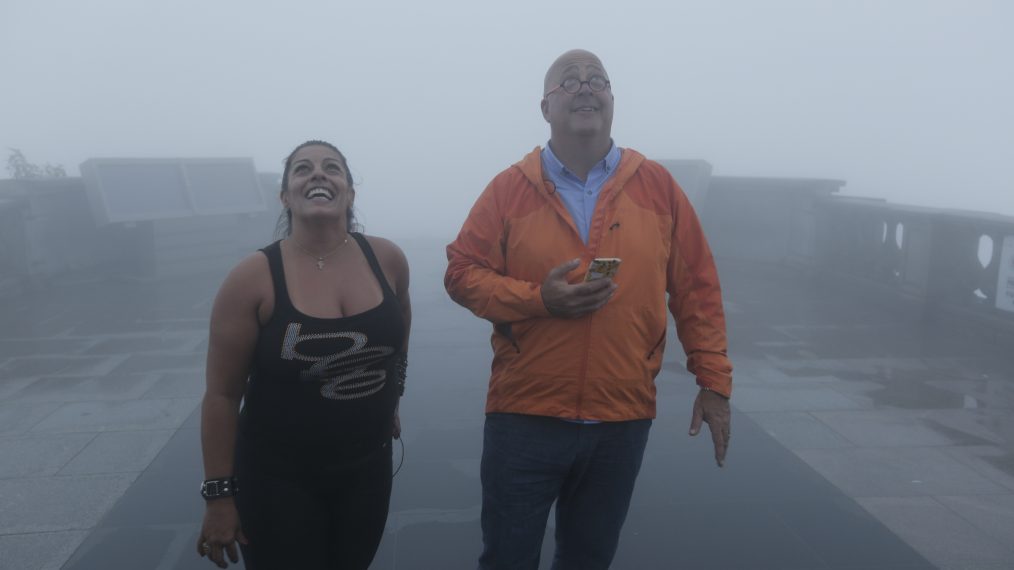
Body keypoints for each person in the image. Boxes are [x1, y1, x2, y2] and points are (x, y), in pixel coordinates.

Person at [444, 49, 733, 569]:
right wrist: (539, 300)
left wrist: (713, 381)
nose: (584, 87)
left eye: (596, 79)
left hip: (620, 416)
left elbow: (697, 289)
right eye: (568, 81)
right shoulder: (510, 188)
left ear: (612, 100)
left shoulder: (658, 187)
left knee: (589, 559)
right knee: (507, 558)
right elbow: (461, 272)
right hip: (525, 412)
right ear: (544, 106)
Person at [196, 140, 411, 569]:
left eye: (332, 168)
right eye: (302, 169)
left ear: (349, 193)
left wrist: (393, 396)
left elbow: (400, 331)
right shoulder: (252, 278)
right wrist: (219, 496)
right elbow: (221, 395)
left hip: (366, 470)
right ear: (285, 195)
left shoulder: (387, 259)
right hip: (277, 476)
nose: (317, 174)